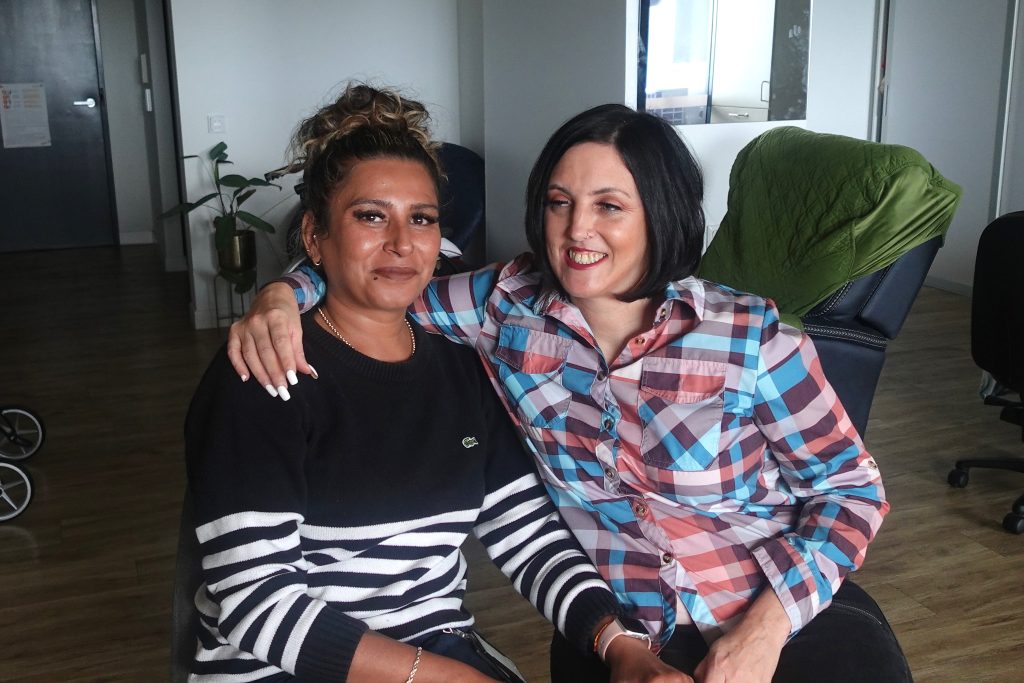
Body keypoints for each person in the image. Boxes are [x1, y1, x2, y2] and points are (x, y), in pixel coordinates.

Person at [227, 102, 911, 683]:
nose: (577, 230)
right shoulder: (504, 306)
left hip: (776, 611)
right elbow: (382, 274)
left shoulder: (750, 338)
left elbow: (851, 490)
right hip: (623, 628)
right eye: (560, 203)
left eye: (609, 206)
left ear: (660, 214)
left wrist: (765, 629)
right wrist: (284, 292)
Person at [186, 85, 686, 683]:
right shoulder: (265, 369)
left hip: (435, 649)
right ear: (315, 236)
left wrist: (618, 643)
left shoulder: (463, 363)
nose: (401, 244)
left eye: (420, 219)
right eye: (371, 216)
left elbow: (526, 533)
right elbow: (256, 601)